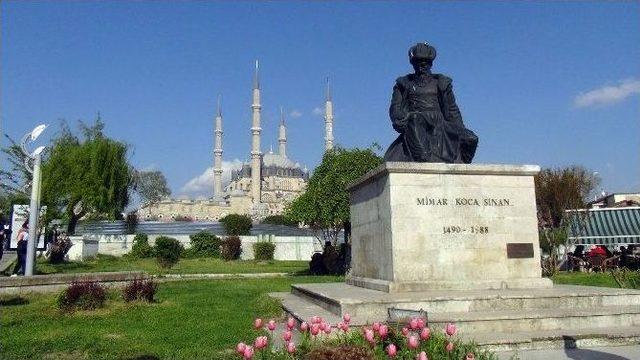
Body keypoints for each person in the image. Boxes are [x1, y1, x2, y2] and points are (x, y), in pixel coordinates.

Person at [384, 42, 479, 163]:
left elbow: (452, 110)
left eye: (426, 62)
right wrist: (401, 120)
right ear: (413, 64)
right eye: (418, 62)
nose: (422, 65)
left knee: (471, 138)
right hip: (416, 122)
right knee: (415, 118)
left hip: (440, 123)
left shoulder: (442, 83)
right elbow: (395, 108)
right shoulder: (404, 83)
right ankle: (423, 159)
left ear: (431, 63)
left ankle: (461, 168)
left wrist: (460, 129)